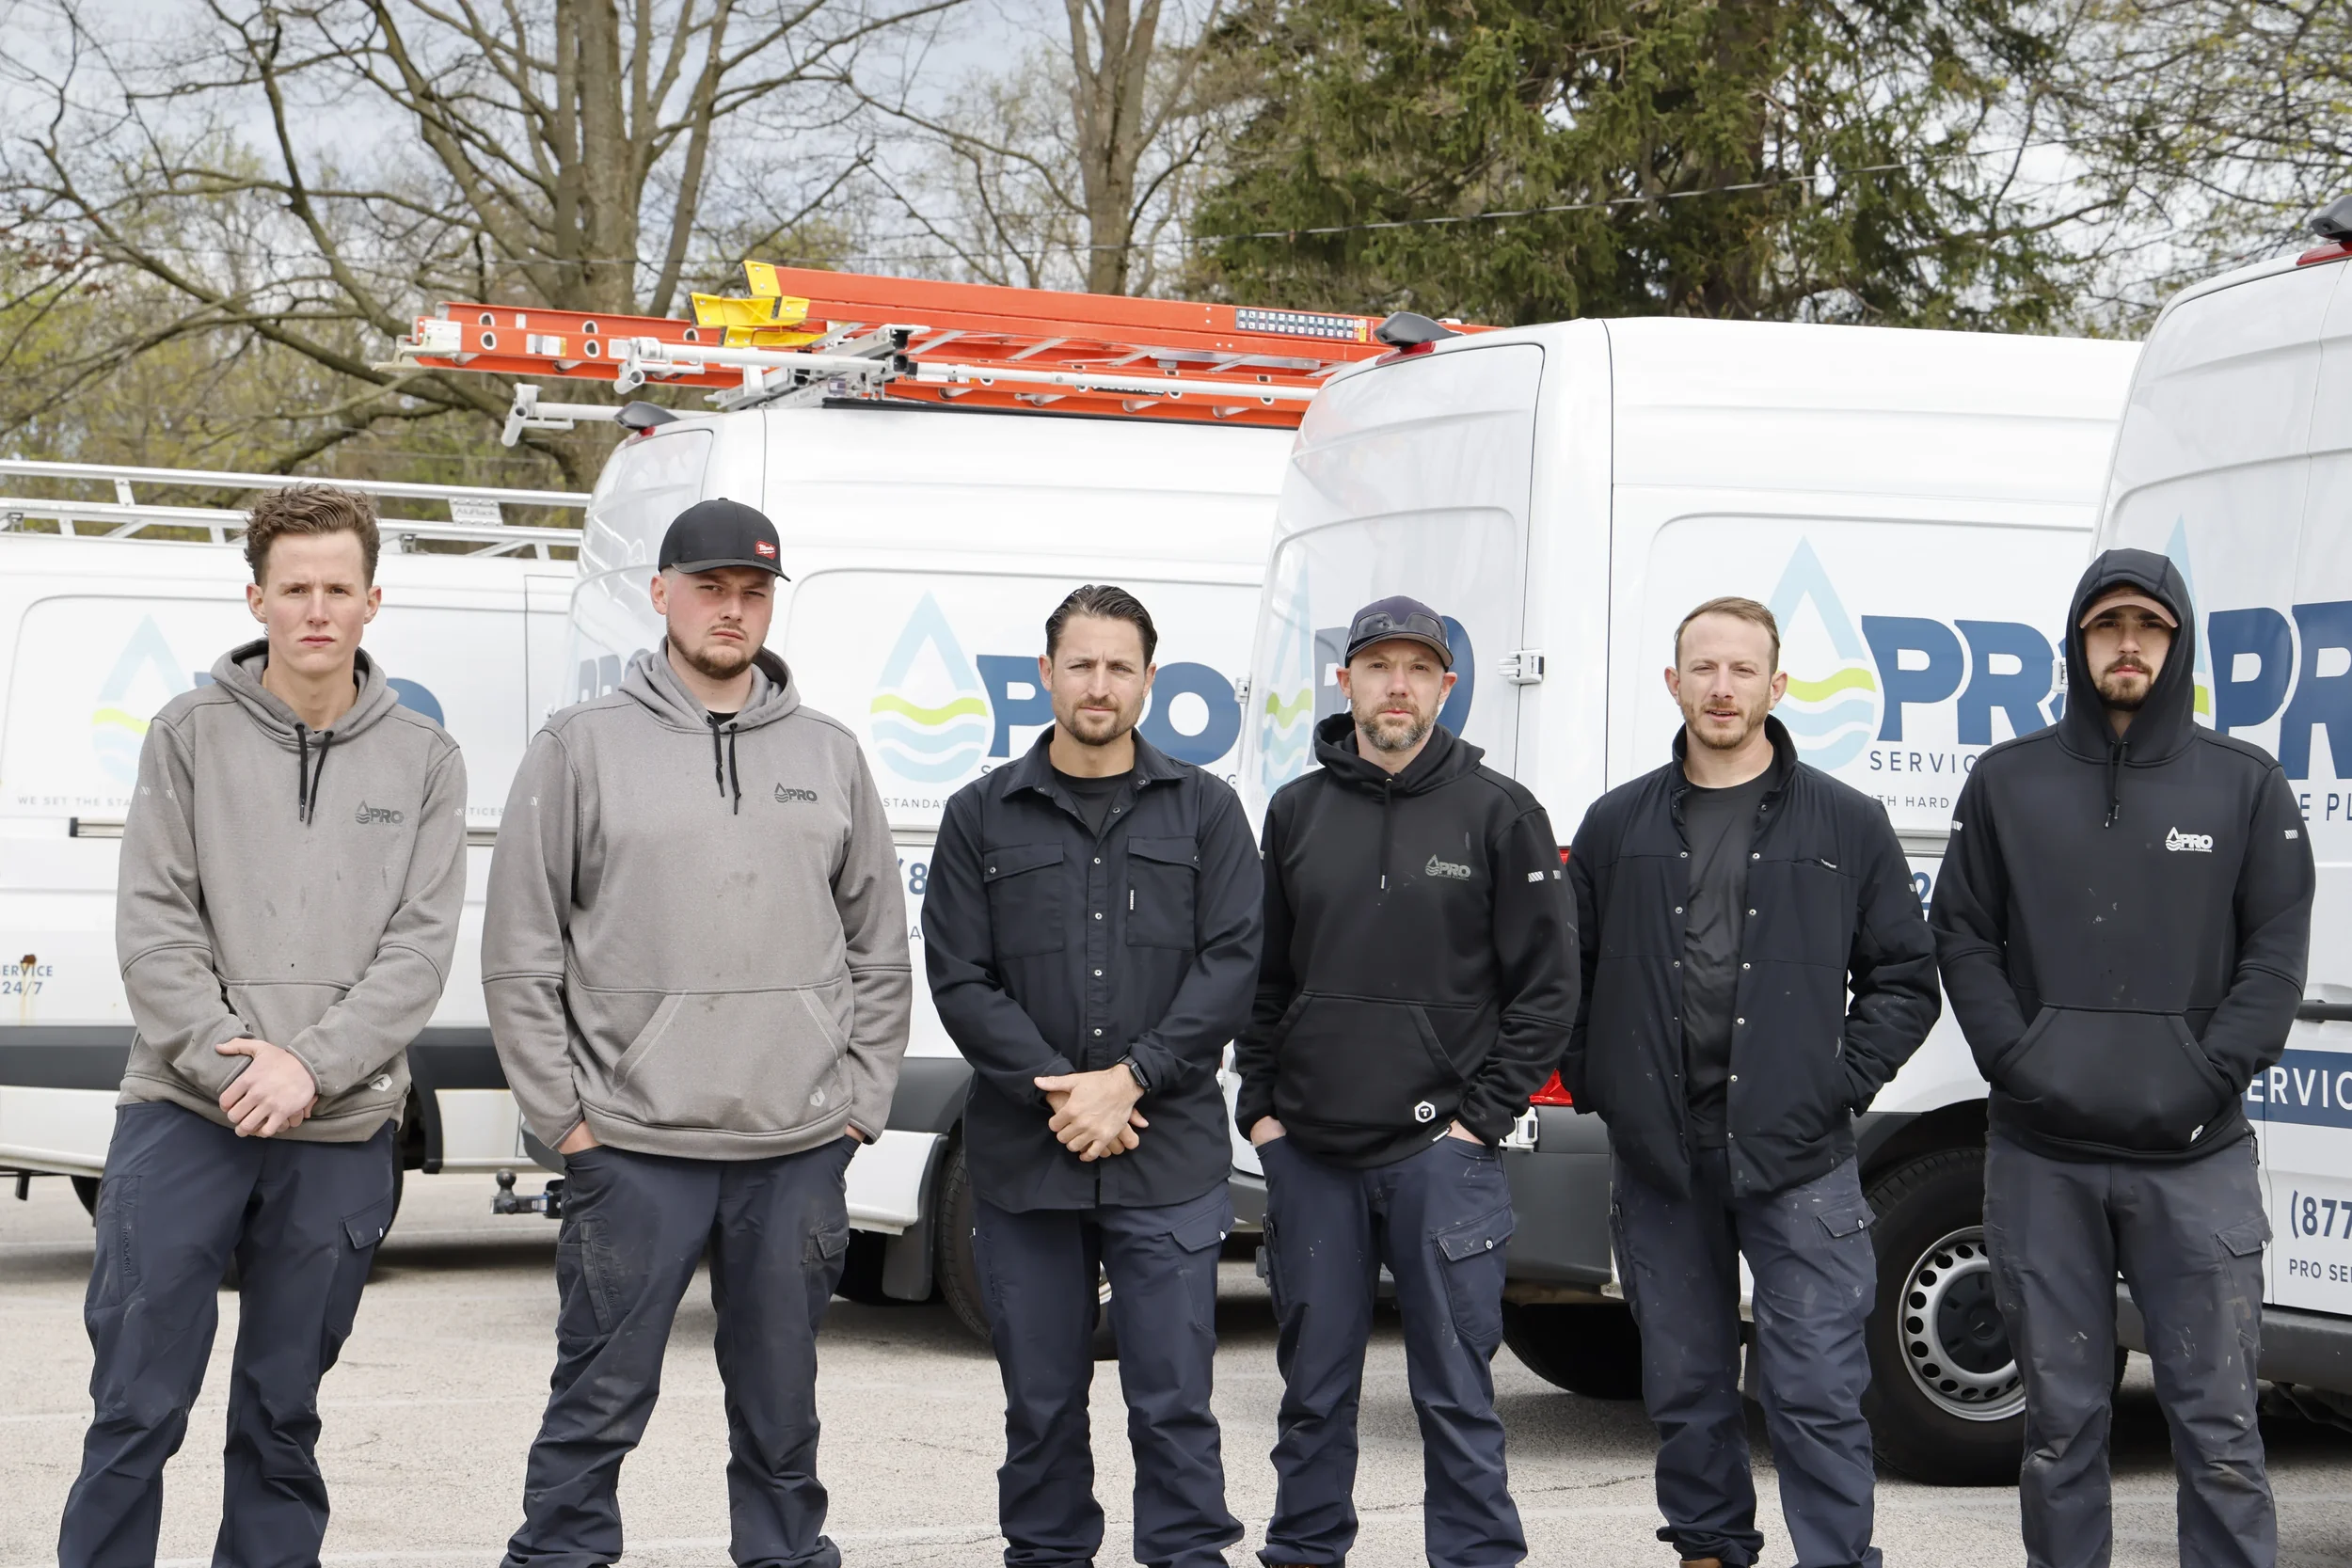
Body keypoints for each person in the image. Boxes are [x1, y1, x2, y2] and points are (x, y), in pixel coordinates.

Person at [483, 497, 911, 1568]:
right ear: (661, 592)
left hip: (792, 1148)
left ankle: (782, 1556)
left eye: (753, 591)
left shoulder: (829, 750)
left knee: (781, 1412)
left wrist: (857, 1105)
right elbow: (519, 947)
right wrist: (565, 1122)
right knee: (597, 1401)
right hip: (632, 1147)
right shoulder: (579, 747)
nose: (732, 609)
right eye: (710, 587)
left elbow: (879, 947)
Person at [59, 485, 468, 1568]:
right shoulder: (186, 734)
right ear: (258, 597)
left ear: (374, 599)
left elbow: (418, 953)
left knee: (282, 1413)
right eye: (296, 588)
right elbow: (155, 928)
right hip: (185, 1115)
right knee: (135, 1408)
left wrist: (313, 1068)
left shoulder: (426, 759)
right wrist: (242, 1064)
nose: (318, 608)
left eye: (340, 587)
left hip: (336, 1132)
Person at [1931, 549, 2312, 1568]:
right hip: (2040, 1154)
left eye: (2149, 626)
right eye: (2108, 627)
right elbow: (1961, 934)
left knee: (2220, 1432)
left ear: (2177, 643)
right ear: (2077, 644)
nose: (2129, 644)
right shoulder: (2005, 781)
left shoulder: (2244, 783)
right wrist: (2019, 1059)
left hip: (2196, 1157)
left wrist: (2198, 1081)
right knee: (2060, 1434)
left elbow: (2274, 958)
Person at [1563, 595, 1939, 1568]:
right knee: (1685, 1385)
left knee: (1814, 1386)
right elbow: (1568, 971)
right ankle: (1707, 1548)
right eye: (1703, 668)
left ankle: (1836, 1556)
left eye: (1741, 670)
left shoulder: (1845, 822)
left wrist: (1836, 1083)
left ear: (1776, 686)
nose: (1721, 687)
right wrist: (1599, 1079)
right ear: (1673, 681)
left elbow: (1905, 976)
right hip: (1661, 1158)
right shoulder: (1615, 824)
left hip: (1799, 1153)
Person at [925, 583, 1263, 1568]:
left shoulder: (1206, 810)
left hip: (1167, 1154)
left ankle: (1186, 1555)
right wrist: (1067, 1088)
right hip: (1028, 1161)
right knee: (1038, 1401)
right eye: (1080, 664)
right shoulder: (978, 814)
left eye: (1120, 666)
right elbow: (960, 975)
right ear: (1045, 674)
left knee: (1172, 1400)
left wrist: (1134, 1079)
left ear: (1150, 681)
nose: (1099, 684)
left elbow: (1231, 964)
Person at [1235, 594, 1576, 1568]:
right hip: (1309, 1153)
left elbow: (1548, 989)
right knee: (1312, 1392)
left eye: (1417, 668)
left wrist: (1477, 1121)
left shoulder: (1499, 811)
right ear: (1344, 681)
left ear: (1446, 686)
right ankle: (1304, 1551)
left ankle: (1474, 1557)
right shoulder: (1296, 810)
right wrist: (1258, 1108)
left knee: (1456, 1392)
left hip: (1441, 1159)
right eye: (1377, 665)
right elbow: (1262, 976)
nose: (1397, 684)